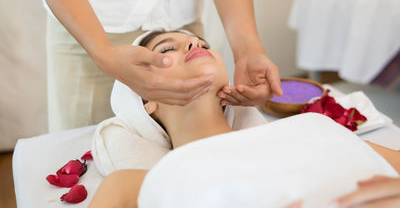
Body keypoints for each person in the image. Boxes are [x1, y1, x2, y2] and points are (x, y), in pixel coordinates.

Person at [89, 31, 400, 208]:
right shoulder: (136, 182)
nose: (194, 45)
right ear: (147, 102)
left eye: (202, 44)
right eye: (168, 49)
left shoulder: (312, 127)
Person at [25, 0, 282, 132]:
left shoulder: (190, 44)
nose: (197, 47)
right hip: (91, 28)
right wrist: (102, 53)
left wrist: (247, 51)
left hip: (181, 17)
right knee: (90, 161)